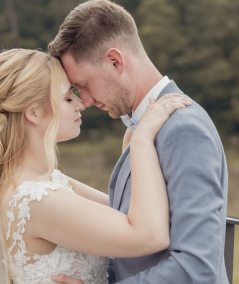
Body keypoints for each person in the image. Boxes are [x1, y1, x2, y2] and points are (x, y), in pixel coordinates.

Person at [0, 48, 192, 284]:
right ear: (34, 112)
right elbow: (150, 236)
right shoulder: (37, 199)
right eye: (68, 97)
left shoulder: (43, 181)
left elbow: (123, 210)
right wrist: (142, 142)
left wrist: (131, 146)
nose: (80, 104)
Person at [47, 0, 229, 283]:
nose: (86, 100)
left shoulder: (183, 129)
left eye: (83, 85)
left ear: (115, 61)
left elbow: (197, 266)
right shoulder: (144, 127)